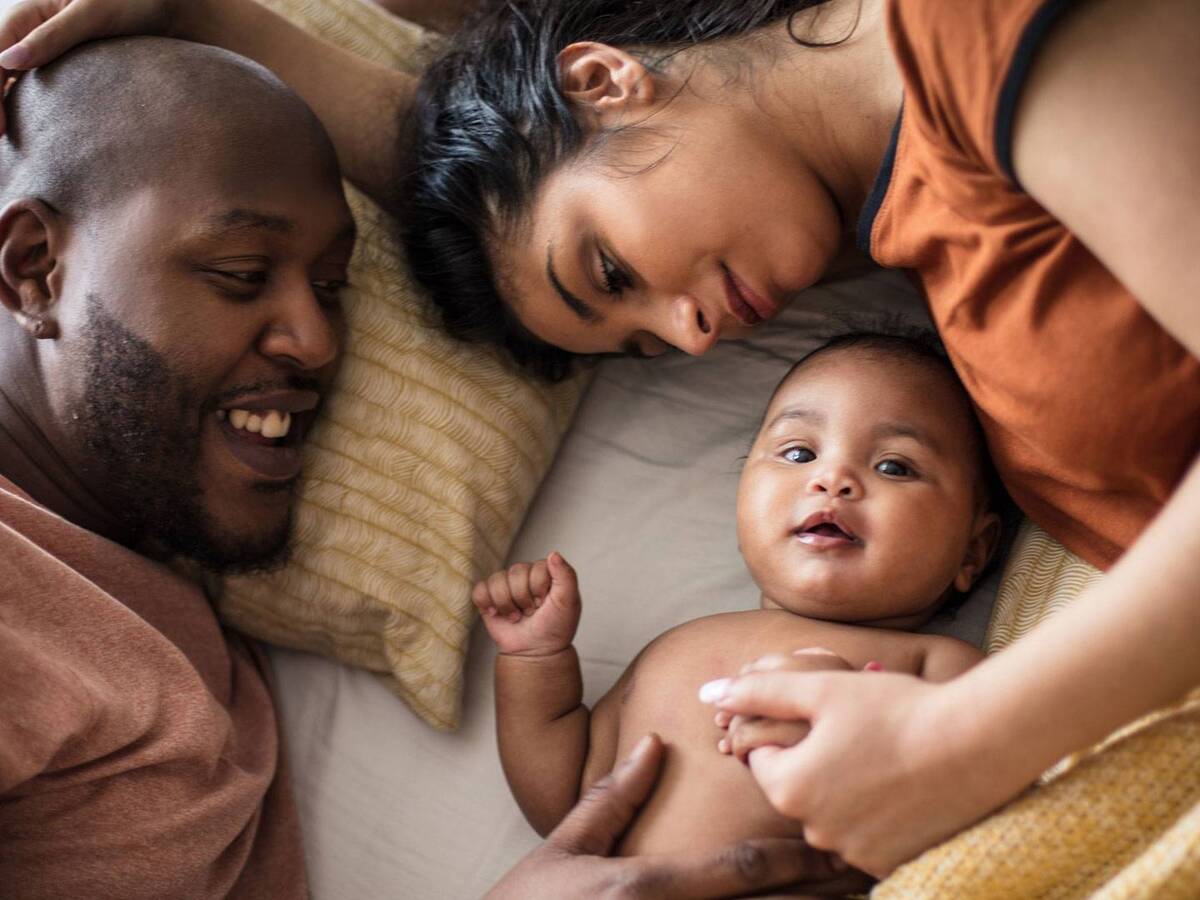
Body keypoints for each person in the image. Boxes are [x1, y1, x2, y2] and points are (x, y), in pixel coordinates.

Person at [3, 0, 1195, 883]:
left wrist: (968, 742)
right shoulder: (878, 206)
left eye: (612, 274)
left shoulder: (965, 35)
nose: (683, 333)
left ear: (611, 78)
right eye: (633, 342)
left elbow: (556, 136)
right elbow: (505, 152)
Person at [0, 34, 823, 900]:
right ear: (33, 271)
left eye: (330, 288)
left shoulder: (148, 604)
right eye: (242, 272)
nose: (318, 343)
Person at [472, 334, 1000, 888]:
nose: (832, 479)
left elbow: (976, 835)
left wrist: (845, 746)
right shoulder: (675, 650)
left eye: (894, 466)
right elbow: (567, 805)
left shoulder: (941, 668)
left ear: (972, 551)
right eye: (799, 453)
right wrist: (535, 661)